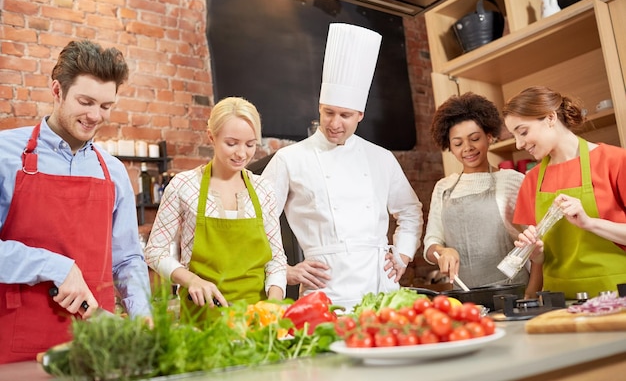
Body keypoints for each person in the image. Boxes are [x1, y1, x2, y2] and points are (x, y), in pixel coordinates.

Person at [0, 40, 152, 364]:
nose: (95, 116)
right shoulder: (5, 155)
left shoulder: (113, 171)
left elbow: (127, 260)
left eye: (106, 106)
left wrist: (144, 316)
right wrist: (54, 266)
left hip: (98, 345)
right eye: (85, 101)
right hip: (17, 344)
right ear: (57, 90)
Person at [262, 23, 423, 310]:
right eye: (329, 113)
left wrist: (402, 255)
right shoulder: (290, 158)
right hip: (325, 291)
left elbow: (410, 210)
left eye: (345, 115)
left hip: (380, 289)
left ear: (360, 114)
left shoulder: (381, 158)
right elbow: (259, 221)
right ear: (319, 108)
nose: (335, 123)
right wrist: (283, 270)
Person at [144, 97, 287, 320]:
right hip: (202, 318)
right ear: (212, 136)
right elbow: (155, 251)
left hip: (257, 319)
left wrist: (274, 303)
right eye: (232, 143)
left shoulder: (263, 190)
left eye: (250, 144)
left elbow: (276, 260)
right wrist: (191, 280)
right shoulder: (184, 186)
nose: (242, 153)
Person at [503, 86, 626, 299]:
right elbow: (538, 264)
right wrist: (530, 296)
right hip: (559, 302)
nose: (519, 143)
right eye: (515, 136)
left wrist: (589, 223)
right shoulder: (531, 181)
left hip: (617, 296)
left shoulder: (615, 161)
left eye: (523, 132)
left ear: (550, 117)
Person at [423, 92, 528, 289]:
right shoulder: (444, 188)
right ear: (450, 147)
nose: (467, 148)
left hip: (513, 290)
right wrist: (442, 252)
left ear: (489, 136)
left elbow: (533, 243)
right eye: (458, 143)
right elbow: (431, 243)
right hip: (465, 296)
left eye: (474, 138)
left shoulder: (512, 181)